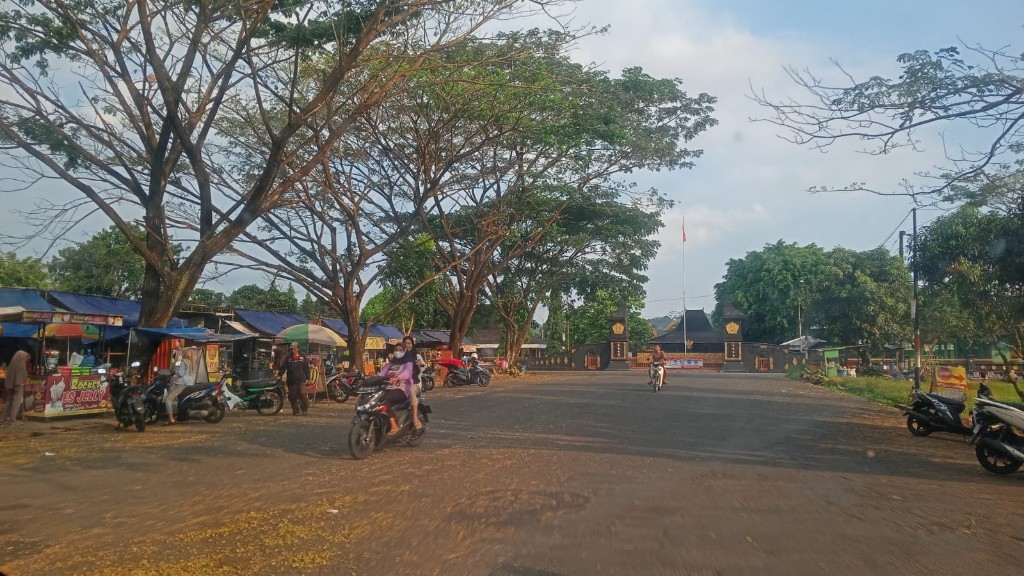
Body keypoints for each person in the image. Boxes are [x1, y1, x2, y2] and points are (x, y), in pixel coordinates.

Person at [378, 342, 415, 436]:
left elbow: (407, 373)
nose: (398, 352)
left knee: (383, 400)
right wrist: (369, 380)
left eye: (400, 350)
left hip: (402, 390)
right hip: (387, 389)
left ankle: (394, 426)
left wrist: (398, 378)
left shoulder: (408, 363)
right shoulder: (390, 364)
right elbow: (381, 374)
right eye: (396, 350)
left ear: (405, 351)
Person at [278, 342, 310, 416]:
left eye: (294, 349)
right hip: (291, 380)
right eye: (291, 349)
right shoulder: (288, 357)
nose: (292, 351)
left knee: (302, 395)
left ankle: (304, 409)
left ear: (298, 349)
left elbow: (306, 368)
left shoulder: (303, 357)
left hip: (301, 379)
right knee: (293, 396)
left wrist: (308, 378)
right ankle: (296, 411)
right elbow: (283, 367)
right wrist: (279, 374)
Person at [1, 347, 31, 425]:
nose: (26, 359)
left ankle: (2, 418)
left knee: (9, 401)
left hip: (10, 385)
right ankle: (12, 419)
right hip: (18, 385)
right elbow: (24, 376)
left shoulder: (12, 363)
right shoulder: (21, 365)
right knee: (16, 401)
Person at [402, 336, 425, 431]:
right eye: (405, 343)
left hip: (415, 383)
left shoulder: (417, 356)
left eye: (409, 343)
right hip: (401, 383)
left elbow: (423, 367)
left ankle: (415, 419)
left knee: (411, 390)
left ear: (412, 345)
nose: (407, 345)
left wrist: (420, 365)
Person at [164, 348, 191, 425]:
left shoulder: (183, 362)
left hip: (181, 383)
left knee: (168, 400)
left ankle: (171, 419)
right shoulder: (190, 362)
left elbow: (180, 373)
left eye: (182, 352)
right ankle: (176, 415)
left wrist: (174, 371)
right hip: (188, 383)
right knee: (177, 399)